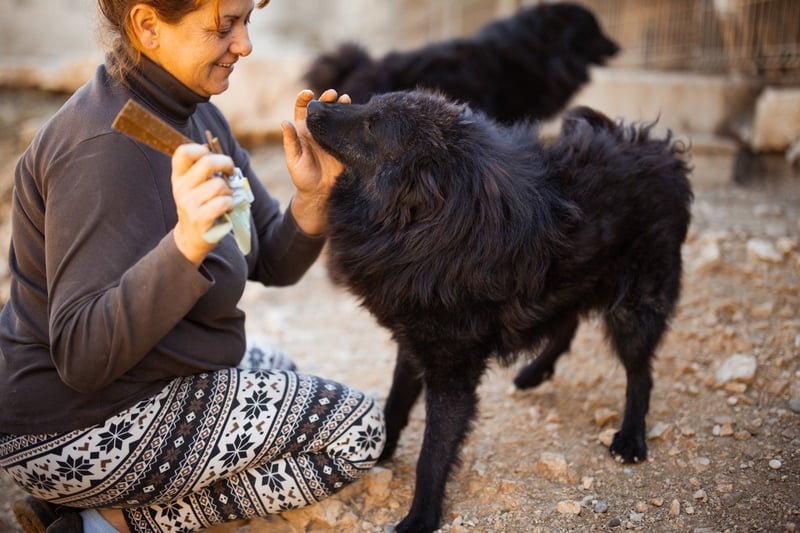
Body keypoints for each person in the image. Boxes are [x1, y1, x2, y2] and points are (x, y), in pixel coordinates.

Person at [0, 1, 386, 531]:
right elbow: (82, 358)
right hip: (71, 426)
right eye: (224, 26)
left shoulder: (195, 112)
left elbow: (271, 260)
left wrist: (315, 196)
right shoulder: (103, 149)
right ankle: (101, 521)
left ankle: (69, 505)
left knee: (281, 370)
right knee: (356, 428)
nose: (245, 44)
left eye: (246, 21)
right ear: (148, 26)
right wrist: (185, 245)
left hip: (145, 377)